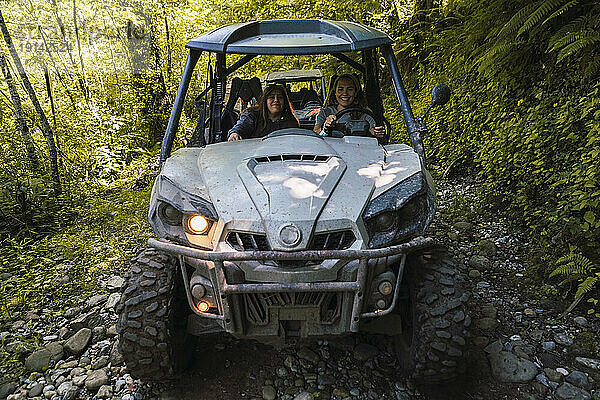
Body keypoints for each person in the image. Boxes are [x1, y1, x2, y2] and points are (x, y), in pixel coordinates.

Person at [313, 74, 385, 138]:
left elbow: (374, 127)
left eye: (350, 89)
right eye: (340, 89)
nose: (345, 93)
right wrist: (326, 128)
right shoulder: (325, 112)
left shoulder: (365, 112)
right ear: (335, 92)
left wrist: (376, 132)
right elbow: (316, 135)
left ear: (356, 93)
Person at [228, 84, 299, 141]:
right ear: (265, 101)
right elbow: (242, 125)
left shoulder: (290, 121)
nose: (276, 100)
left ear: (284, 102)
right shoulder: (252, 115)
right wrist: (235, 133)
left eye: (280, 97)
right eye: (271, 97)